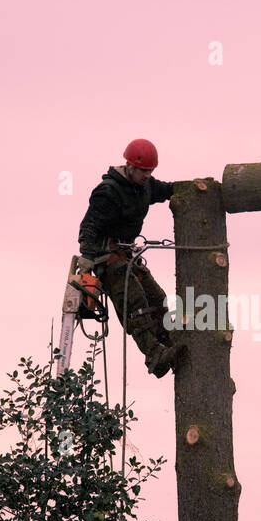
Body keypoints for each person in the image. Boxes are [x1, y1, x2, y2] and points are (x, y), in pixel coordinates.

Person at [76, 138, 186, 377]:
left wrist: (190, 187)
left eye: (150, 171)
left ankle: (169, 345)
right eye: (143, 171)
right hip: (107, 259)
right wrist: (86, 262)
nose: (147, 175)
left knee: (158, 299)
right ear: (130, 167)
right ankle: (154, 355)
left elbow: (166, 189)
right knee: (135, 305)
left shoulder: (144, 187)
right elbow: (89, 228)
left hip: (128, 256)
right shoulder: (108, 192)